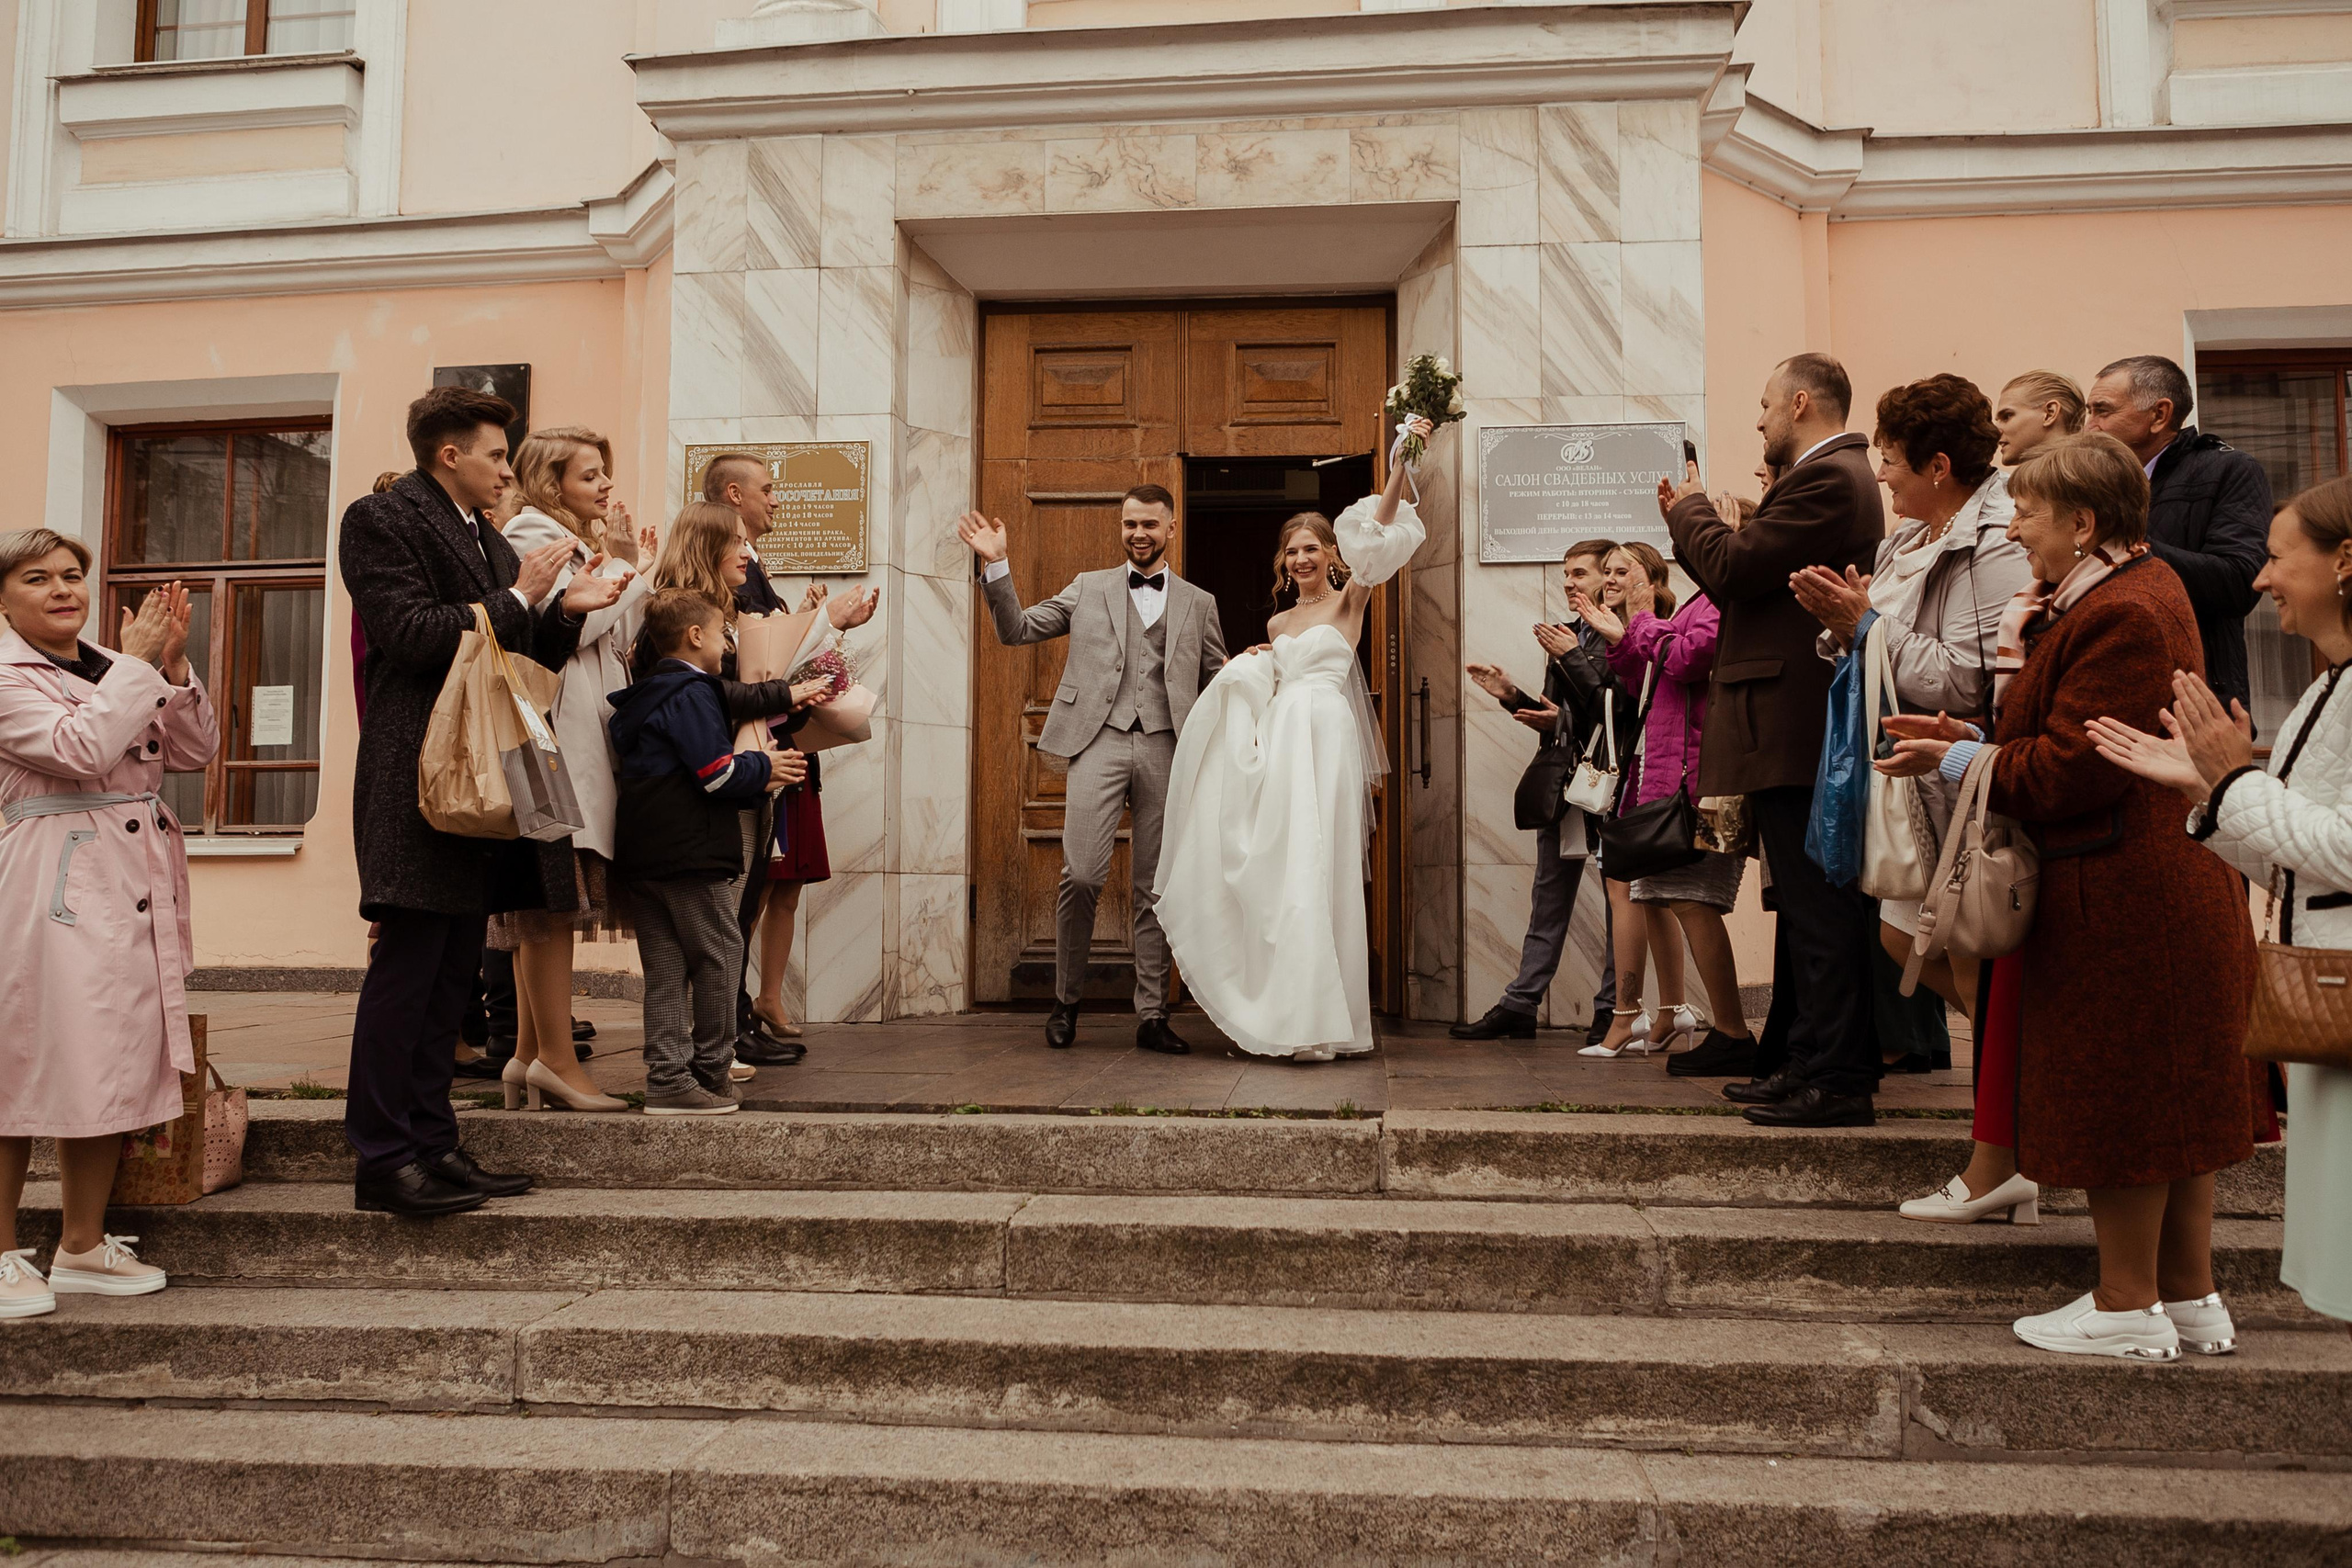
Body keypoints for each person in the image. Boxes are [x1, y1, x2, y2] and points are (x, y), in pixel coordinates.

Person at [1880, 432, 2267, 1359]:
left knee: (2129, 1102)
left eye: (2028, 512)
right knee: (2170, 1104)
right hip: (2146, 886)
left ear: (2084, 521)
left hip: (2127, 894)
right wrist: (1971, 734)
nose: (2014, 527)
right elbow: (2066, 730)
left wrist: (1969, 756)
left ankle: (2127, 1304)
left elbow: (2069, 772)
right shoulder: (2128, 592)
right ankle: (2188, 1298)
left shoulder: (2125, 609)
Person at [338, 385, 623, 1217]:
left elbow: (524, 650)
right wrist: (520, 593)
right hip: (420, 775)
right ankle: (384, 1157)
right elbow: (413, 633)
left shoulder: (488, 540)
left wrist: (569, 609)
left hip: (486, 781)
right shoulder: (380, 518)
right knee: (408, 973)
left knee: (451, 970)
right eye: (497, 454)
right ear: (449, 454)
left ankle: (435, 1143)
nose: (509, 468)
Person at [2090, 473, 2352, 1341]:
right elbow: (2295, 859)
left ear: (2344, 562)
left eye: (2279, 558)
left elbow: (2345, 849)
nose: (2261, 578)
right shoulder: (2325, 687)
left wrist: (2233, 780)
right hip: (2322, 1003)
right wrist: (2208, 793)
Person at [1154, 416, 1433, 1062]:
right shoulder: (1278, 619)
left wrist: (1397, 463)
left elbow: (1378, 531)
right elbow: (1269, 680)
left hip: (1327, 737)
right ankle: (1284, 1005)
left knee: (1322, 860)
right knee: (1283, 865)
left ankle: (1326, 1019)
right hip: (1281, 741)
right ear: (1283, 562)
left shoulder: (1351, 602)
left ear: (1332, 556)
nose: (1302, 558)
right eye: (1293, 551)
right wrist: (1254, 666)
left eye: (1312, 548)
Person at [1789, 375, 2031, 1101]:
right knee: (1902, 941)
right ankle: (2020, 1069)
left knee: (1962, 949)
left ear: (1938, 466)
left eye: (1891, 457)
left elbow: (1967, 681)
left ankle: (2007, 1114)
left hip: (1955, 776)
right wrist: (1845, 629)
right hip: (1900, 779)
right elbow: (1875, 645)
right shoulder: (1906, 540)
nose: (1880, 472)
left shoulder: (1992, 546)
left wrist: (1864, 625)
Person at [1664, 353, 1887, 1127]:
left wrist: (1688, 509)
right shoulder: (1824, 479)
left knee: (1821, 908)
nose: (1757, 421)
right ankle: (1798, 1060)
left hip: (1796, 719)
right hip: (1785, 719)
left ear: (1799, 403)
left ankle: (1838, 1076)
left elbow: (1733, 570)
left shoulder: (1831, 478)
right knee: (1800, 902)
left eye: (1763, 406)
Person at [0, 536, 217, 1317]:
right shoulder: (5, 672)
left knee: (107, 1061)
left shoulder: (110, 661)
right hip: (50, 877)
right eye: (38, 578)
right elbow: (80, 748)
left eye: (72, 575)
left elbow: (193, 751)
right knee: (22, 1061)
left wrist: (175, 667)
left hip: (132, 880)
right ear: (3, 597)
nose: (63, 589)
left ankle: (82, 1245)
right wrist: (135, 665)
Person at [958, 482, 1230, 1055]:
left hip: (1166, 746)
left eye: (1150, 525)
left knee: (1155, 886)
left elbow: (1217, 677)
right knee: (1081, 875)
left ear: (1171, 529)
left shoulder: (1199, 602)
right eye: (1131, 523)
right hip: (1097, 740)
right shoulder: (1089, 587)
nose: (1139, 534)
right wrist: (997, 565)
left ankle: (1152, 1015)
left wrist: (1256, 673)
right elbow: (1017, 630)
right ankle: (1066, 1001)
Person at [491, 426, 653, 1114]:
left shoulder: (576, 543)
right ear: (553, 483)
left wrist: (622, 570)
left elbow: (617, 633)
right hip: (551, 734)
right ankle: (556, 1060)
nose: (606, 486)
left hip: (578, 731)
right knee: (546, 905)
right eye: (591, 476)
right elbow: (570, 626)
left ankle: (528, 1054)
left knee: (548, 904)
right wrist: (627, 573)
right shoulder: (533, 533)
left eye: (605, 473)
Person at [702, 453, 876, 1057]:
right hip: (748, 750)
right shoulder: (730, 569)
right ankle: (731, 1021)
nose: (777, 500)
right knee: (742, 894)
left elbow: (772, 654)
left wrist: (822, 627)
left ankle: (741, 1013)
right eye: (769, 489)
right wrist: (822, 620)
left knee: (760, 887)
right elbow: (754, 661)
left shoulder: (752, 567)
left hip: (775, 742)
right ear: (734, 494)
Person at [609, 588, 802, 1115]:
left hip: (643, 854)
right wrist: (768, 770)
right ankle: (711, 1071)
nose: (727, 645)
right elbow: (715, 776)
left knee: (668, 966)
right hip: (691, 851)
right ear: (696, 637)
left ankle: (668, 1079)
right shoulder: (691, 694)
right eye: (723, 634)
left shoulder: (646, 693)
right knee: (720, 953)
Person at [1580, 548, 1757, 1072]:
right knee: (1667, 895)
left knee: (1695, 901)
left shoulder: (1723, 604)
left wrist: (1638, 618)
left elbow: (1684, 659)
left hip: (1704, 781)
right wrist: (1621, 637)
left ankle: (1731, 1032)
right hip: (1663, 777)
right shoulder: (1699, 602)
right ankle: (1707, 1025)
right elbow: (1644, 682)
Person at [1456, 537, 1632, 1043]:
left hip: (1614, 785)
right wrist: (1511, 695)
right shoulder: (1566, 634)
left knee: (1619, 900)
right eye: (1566, 575)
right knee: (1548, 894)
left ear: (1609, 578)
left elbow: (1619, 709)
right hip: (1568, 782)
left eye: (1580, 573)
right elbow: (1559, 719)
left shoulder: (1626, 632)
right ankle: (1520, 1004)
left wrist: (1572, 671)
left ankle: (1611, 1009)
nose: (1570, 583)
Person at [2086, 355, 2269, 711]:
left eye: (2102, 411)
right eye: (2088, 411)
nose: (2089, 426)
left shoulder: (2228, 469)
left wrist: (2125, 546)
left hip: (2192, 707)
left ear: (2159, 415)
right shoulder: (2095, 481)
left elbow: (2239, 582)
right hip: (2108, 694)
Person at [1575, 544, 1689, 1058]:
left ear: (1652, 577)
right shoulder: (1618, 622)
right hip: (1639, 763)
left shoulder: (1661, 619)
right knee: (1651, 892)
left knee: (1629, 890)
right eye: (1609, 571)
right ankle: (1671, 1010)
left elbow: (1626, 693)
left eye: (1623, 571)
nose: (1610, 578)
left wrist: (1581, 653)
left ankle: (1627, 1016)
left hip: (1654, 766)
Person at [1992, 370, 2085, 467]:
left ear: (2049, 413)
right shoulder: (2088, 473)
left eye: (2007, 416)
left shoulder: (2081, 478)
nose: (1995, 430)